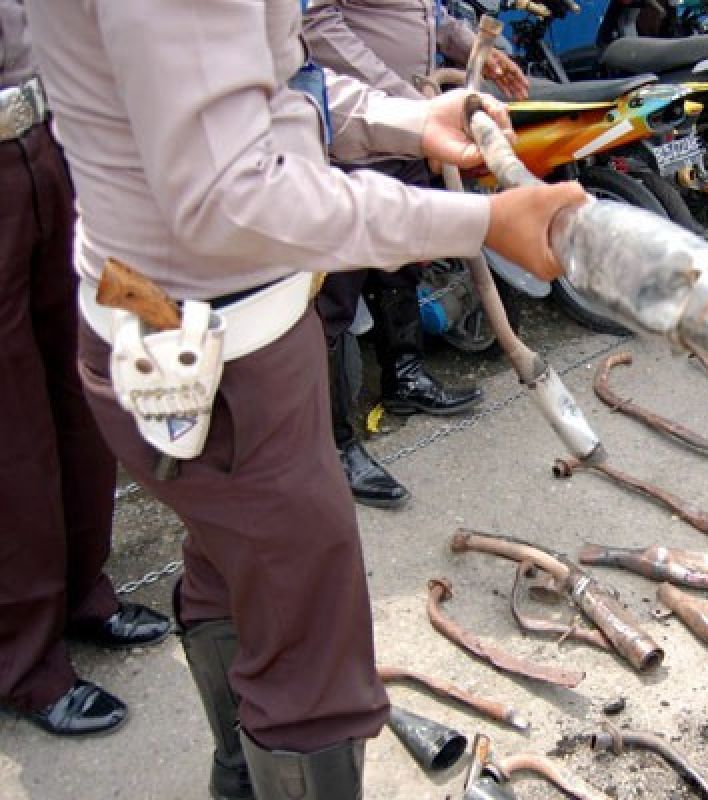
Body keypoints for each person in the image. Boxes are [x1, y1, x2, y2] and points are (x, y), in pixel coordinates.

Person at [26, 0, 584, 797]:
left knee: (233, 571)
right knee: (314, 667)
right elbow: (233, 196)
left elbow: (267, 88)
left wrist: (400, 119)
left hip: (178, 327)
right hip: (221, 359)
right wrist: (482, 221)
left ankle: (241, 775)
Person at [0, 0, 171, 738]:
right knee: (12, 431)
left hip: (46, 138)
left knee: (80, 392)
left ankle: (81, 594)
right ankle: (23, 658)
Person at [302, 0, 531, 511]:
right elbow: (318, 27)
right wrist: (413, 106)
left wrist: (473, 48)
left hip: (406, 135)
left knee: (401, 269)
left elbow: (429, 13)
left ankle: (404, 380)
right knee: (333, 300)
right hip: (355, 140)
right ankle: (333, 446)